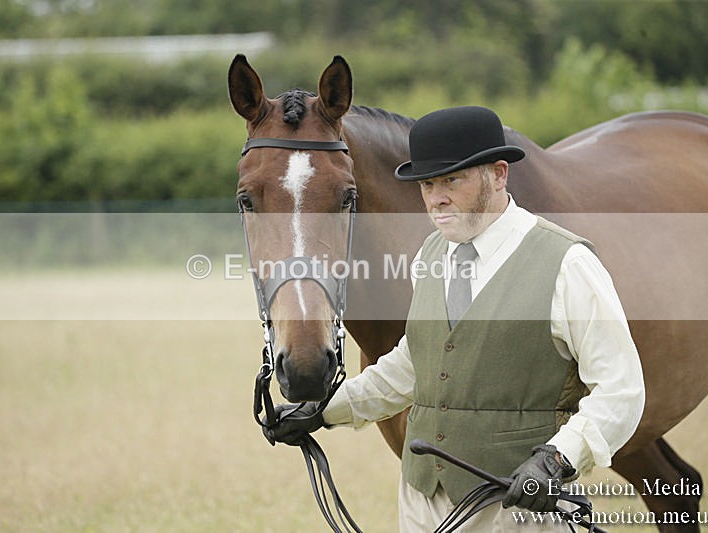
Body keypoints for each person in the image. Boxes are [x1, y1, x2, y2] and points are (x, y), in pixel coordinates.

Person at [266, 106, 645, 531]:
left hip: (517, 508)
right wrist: (323, 411)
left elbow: (621, 389)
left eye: (452, 180)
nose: (436, 197)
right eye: (427, 184)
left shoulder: (567, 264)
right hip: (421, 503)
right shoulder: (430, 256)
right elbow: (414, 364)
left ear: (499, 175)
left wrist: (558, 460)